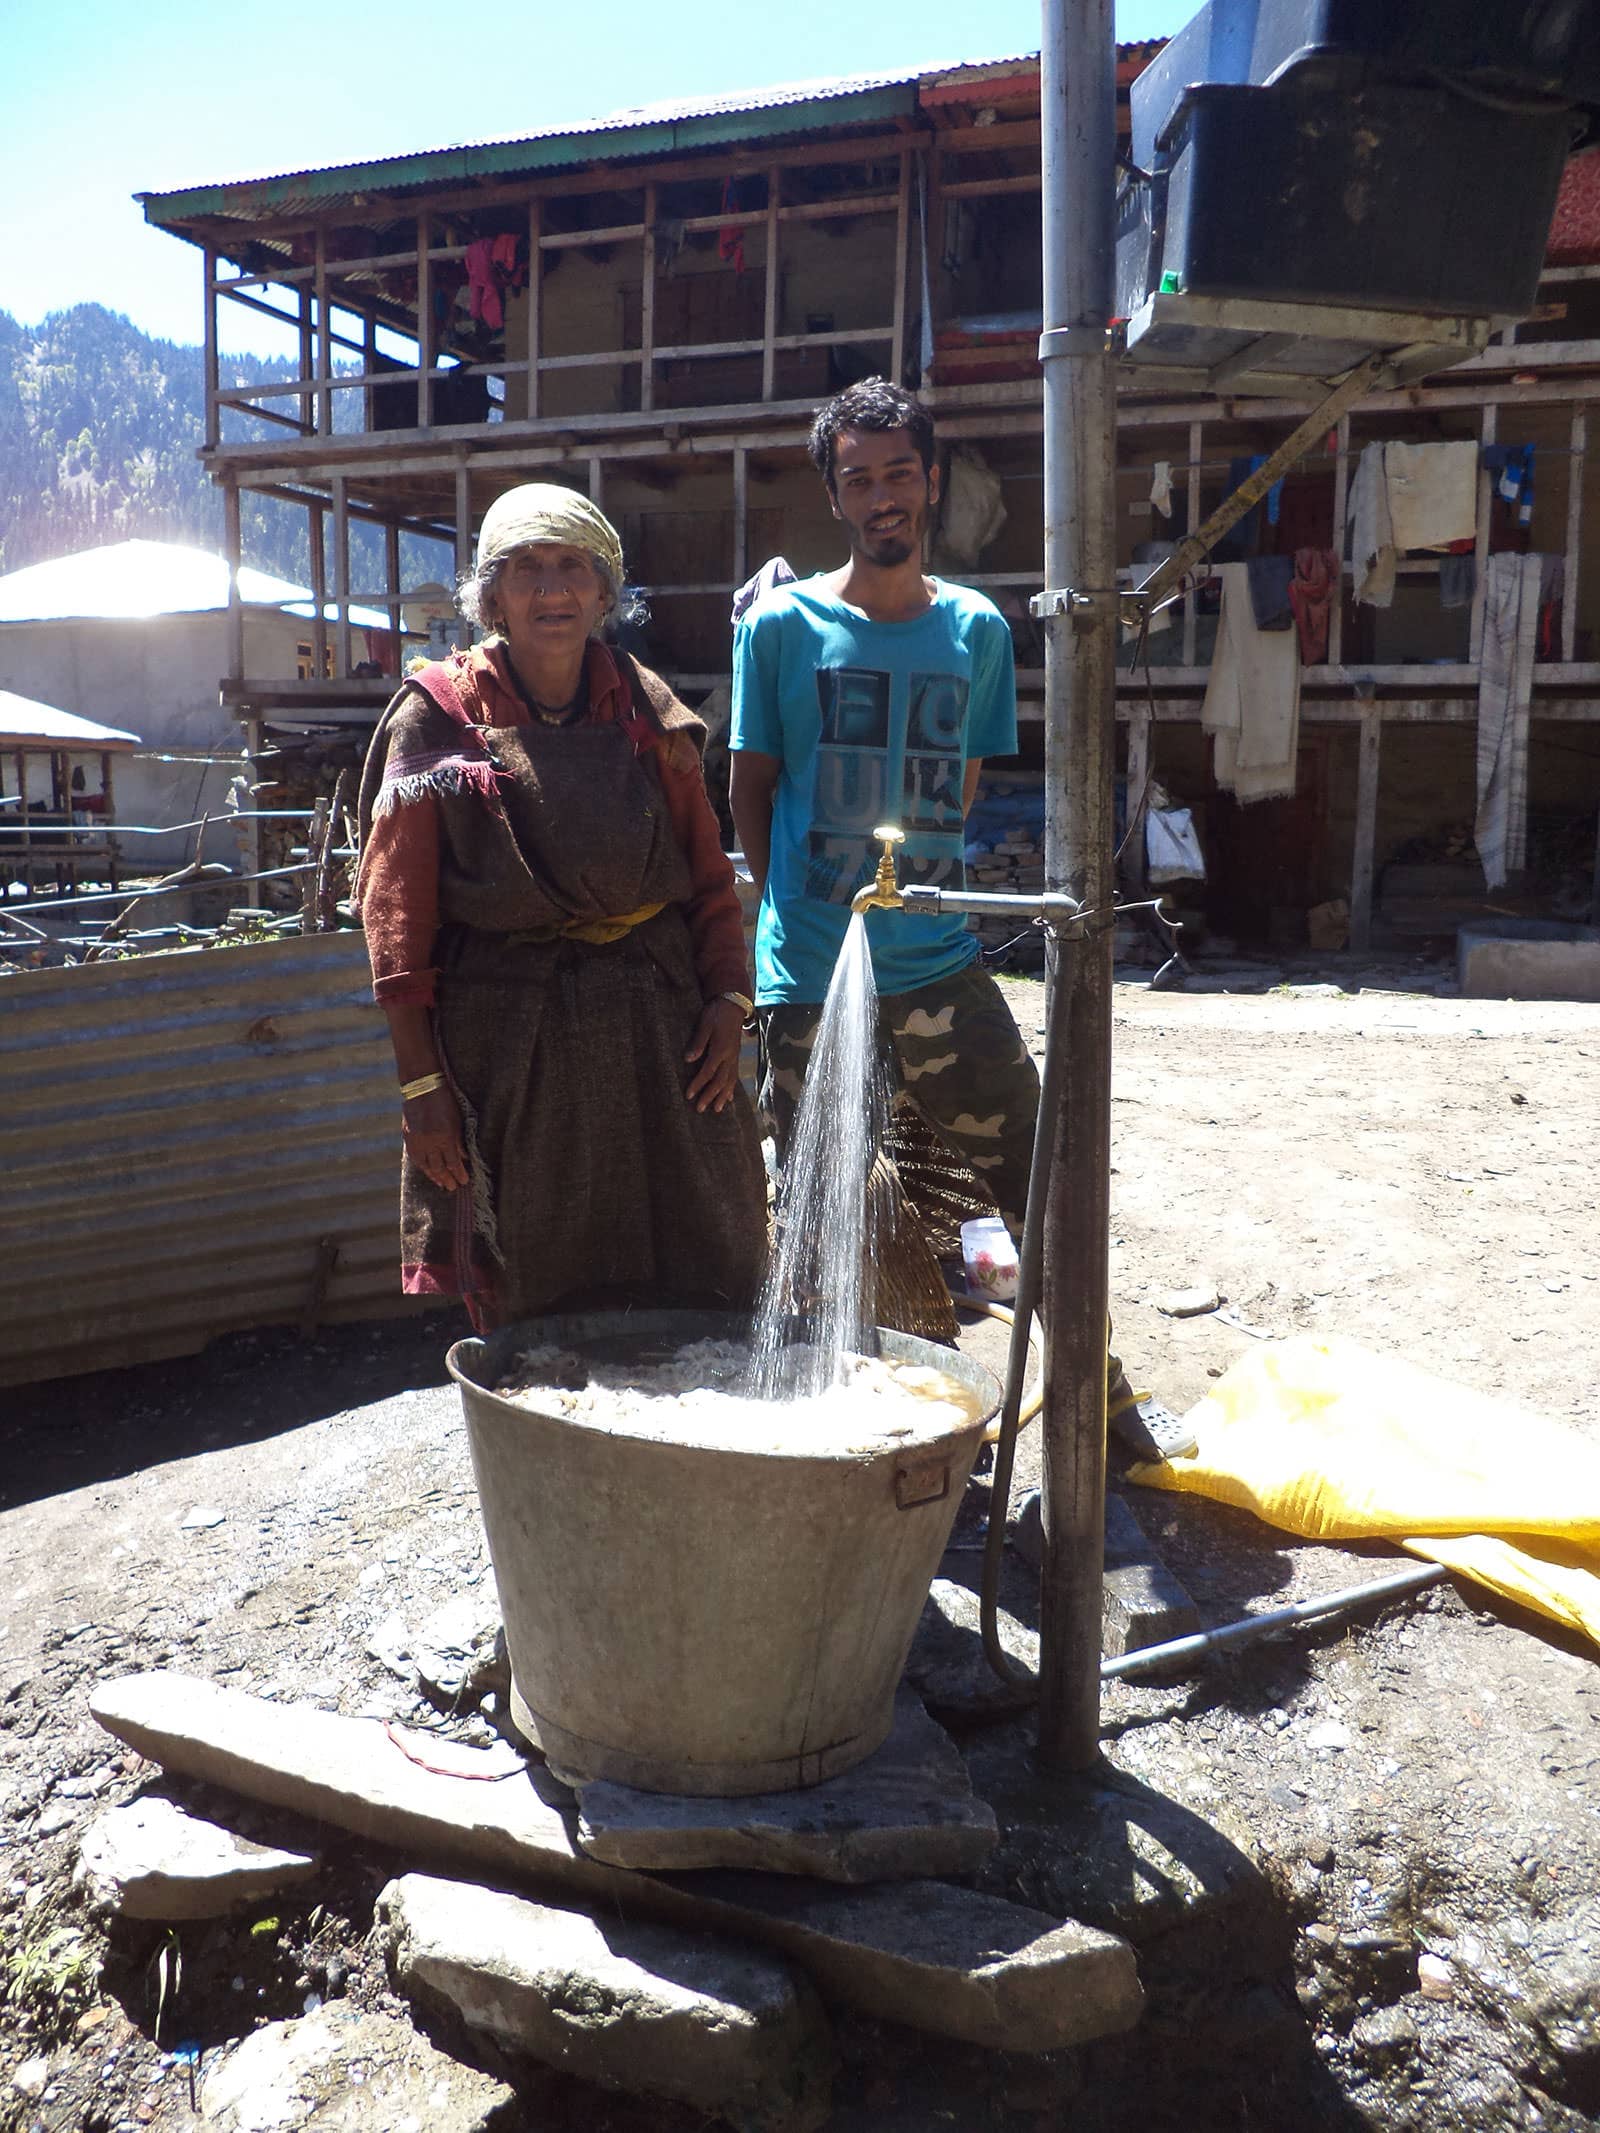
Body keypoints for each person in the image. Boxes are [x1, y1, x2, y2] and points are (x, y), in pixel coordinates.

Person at [729, 379, 1179, 1455]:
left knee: (1039, 1177)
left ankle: (1099, 1400)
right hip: (808, 974)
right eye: (857, 478)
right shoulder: (781, 627)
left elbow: (966, 785)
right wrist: (797, 908)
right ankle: (825, 1421)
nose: (880, 495)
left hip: (936, 962)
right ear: (834, 495)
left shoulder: (975, 628)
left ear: (930, 481)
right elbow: (749, 787)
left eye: (897, 473)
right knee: (822, 1203)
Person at [356, 481, 767, 1331]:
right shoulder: (438, 716)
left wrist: (729, 1000)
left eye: (573, 567)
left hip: (661, 1026)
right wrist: (421, 1084)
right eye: (527, 569)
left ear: (605, 591)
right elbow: (397, 922)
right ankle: (553, 1442)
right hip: (513, 1039)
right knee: (539, 1272)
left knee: (703, 1243)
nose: (552, 590)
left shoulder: (645, 707)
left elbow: (707, 876)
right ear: (491, 595)